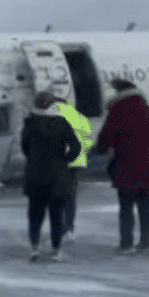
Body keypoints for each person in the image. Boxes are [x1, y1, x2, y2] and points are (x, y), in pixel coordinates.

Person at [92, 79, 149, 252]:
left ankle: (126, 244)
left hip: (127, 167)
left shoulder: (117, 113)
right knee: (145, 204)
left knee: (126, 207)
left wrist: (98, 151)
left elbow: (104, 140)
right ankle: (146, 242)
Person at [21, 92, 81, 262]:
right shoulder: (61, 123)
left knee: (35, 215)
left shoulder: (30, 124)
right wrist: (65, 160)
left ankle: (34, 249)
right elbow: (75, 147)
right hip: (57, 176)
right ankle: (56, 251)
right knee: (56, 216)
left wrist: (34, 159)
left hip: (35, 175)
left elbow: (24, 147)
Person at [53, 96, 94, 242]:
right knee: (70, 197)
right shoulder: (81, 118)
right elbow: (89, 141)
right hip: (78, 162)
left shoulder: (57, 116)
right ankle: (70, 229)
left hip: (61, 162)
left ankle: (61, 230)